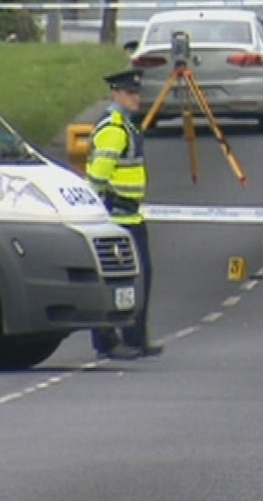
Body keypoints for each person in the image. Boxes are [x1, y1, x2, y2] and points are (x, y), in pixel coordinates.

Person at [87, 69, 162, 360]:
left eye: (137, 93)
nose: (136, 98)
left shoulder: (127, 126)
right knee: (115, 281)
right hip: (117, 217)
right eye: (130, 93)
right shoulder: (114, 130)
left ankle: (135, 339)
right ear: (116, 93)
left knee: (140, 279)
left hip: (130, 217)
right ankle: (108, 342)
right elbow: (97, 177)